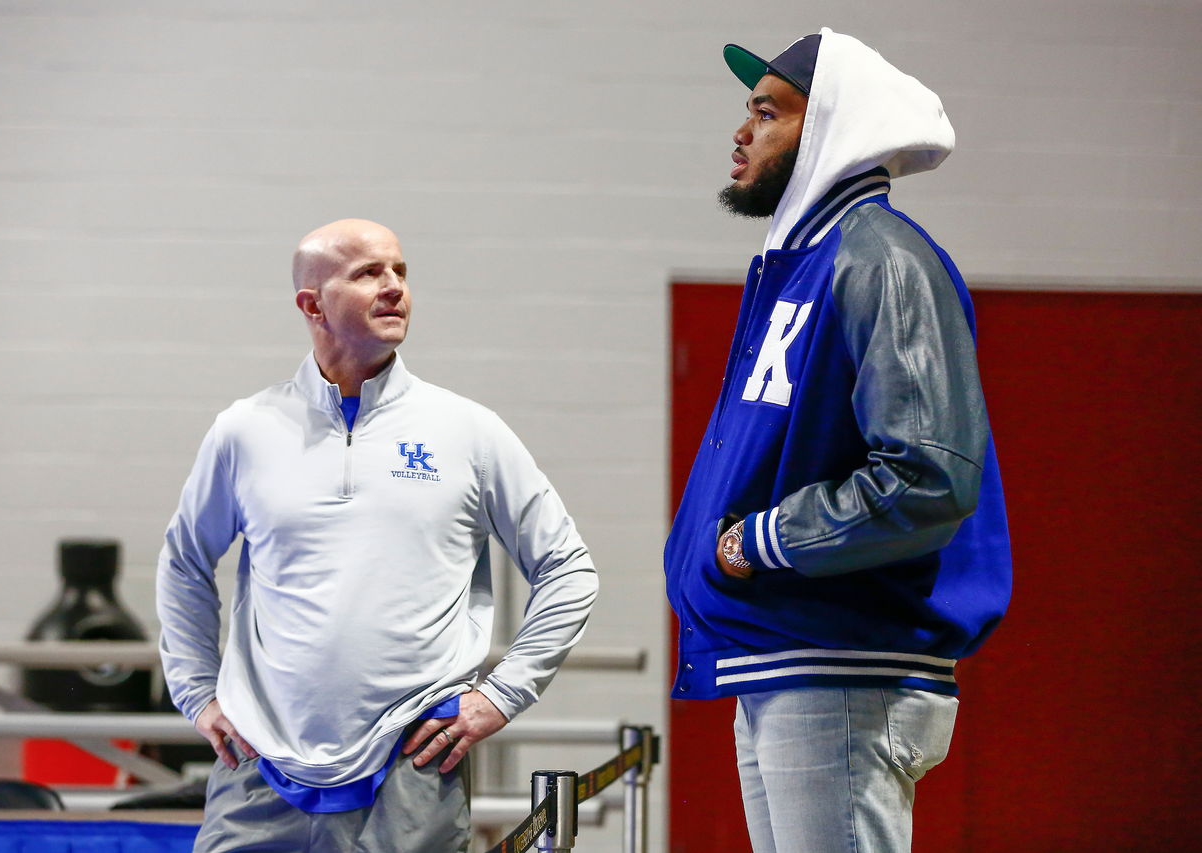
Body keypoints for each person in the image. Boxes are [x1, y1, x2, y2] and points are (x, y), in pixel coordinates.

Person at [664, 29, 1012, 853]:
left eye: (766, 112)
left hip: (840, 667)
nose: (741, 133)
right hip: (793, 660)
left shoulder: (880, 260)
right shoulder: (806, 261)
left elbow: (926, 474)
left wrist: (762, 540)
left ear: (830, 126)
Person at [157, 219, 599, 852]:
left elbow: (568, 568)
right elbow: (183, 565)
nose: (394, 287)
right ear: (312, 304)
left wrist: (503, 694)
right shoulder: (245, 430)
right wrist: (197, 692)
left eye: (401, 271)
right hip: (257, 768)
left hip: (412, 767)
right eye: (368, 273)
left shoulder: (468, 431)